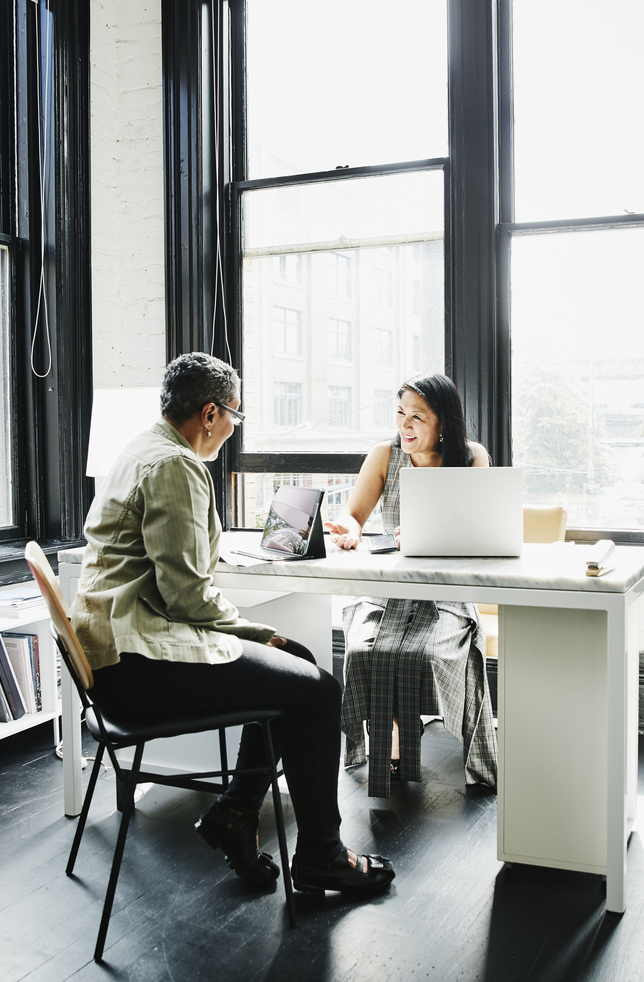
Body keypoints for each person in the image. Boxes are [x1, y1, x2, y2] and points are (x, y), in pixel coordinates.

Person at [68, 352, 393, 895]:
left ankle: (238, 813)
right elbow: (187, 596)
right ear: (211, 413)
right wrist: (254, 632)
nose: (232, 431)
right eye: (235, 419)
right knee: (317, 691)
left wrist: (248, 632)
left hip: (114, 654)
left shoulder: (141, 448)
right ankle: (321, 856)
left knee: (301, 664)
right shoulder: (176, 465)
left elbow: (174, 584)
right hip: (140, 665)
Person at [327, 373, 499, 799]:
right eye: (401, 413)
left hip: (445, 591)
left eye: (418, 417)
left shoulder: (471, 457)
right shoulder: (385, 455)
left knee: (424, 652)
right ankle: (390, 747)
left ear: (444, 423)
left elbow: (480, 528)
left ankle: (410, 744)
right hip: (390, 587)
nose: (405, 424)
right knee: (367, 649)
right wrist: (347, 529)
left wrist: (428, 531)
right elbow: (355, 514)